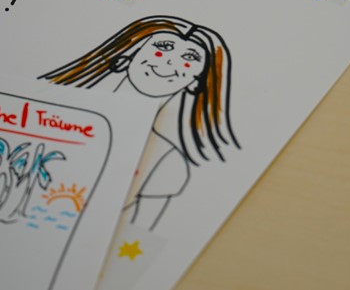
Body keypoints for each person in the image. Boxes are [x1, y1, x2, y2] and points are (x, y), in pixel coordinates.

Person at [40, 15, 239, 229]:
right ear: (127, 56)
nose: (170, 61)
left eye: (189, 57)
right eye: (164, 47)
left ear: (196, 82)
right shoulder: (53, 115)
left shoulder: (166, 160)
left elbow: (139, 233)